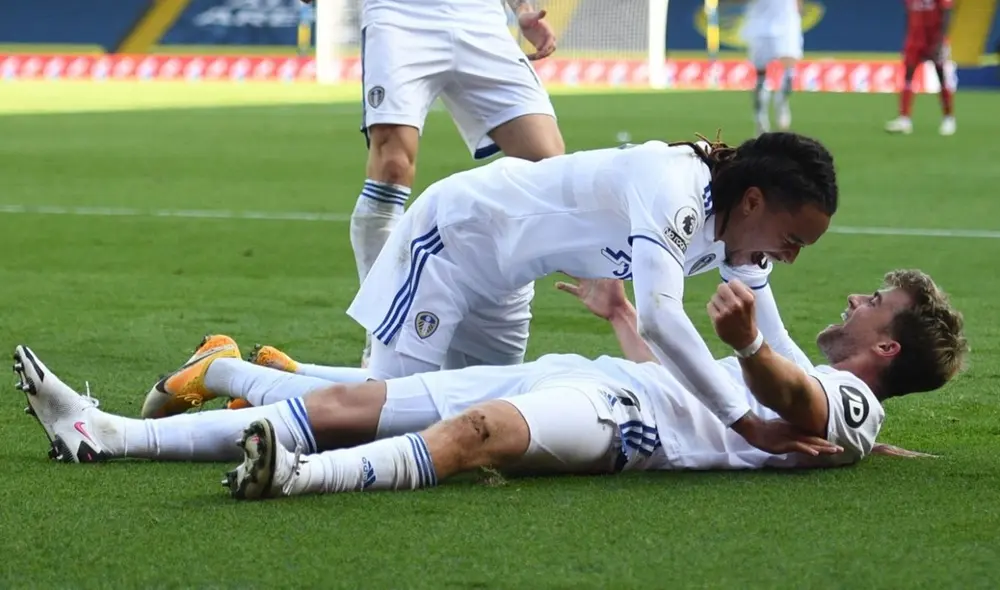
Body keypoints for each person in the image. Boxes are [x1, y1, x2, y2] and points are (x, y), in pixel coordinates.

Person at [142, 133, 838, 453]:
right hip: (453, 240)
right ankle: (224, 371)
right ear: (754, 199)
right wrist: (747, 425)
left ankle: (276, 376)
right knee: (376, 420)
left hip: (507, 279)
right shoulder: (676, 186)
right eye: (794, 238)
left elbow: (777, 347)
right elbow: (659, 317)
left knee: (459, 408)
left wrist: (828, 418)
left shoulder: (741, 238)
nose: (790, 257)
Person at [12, 269, 966, 498]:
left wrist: (755, 345)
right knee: (347, 405)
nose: (857, 294)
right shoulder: (850, 408)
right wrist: (627, 321)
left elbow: (798, 409)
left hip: (624, 426)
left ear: (886, 349)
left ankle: (298, 478)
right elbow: (698, 379)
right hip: (597, 375)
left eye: (877, 300)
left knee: (479, 430)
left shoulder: (853, 399)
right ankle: (104, 434)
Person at [304, 0, 567, 366]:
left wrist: (522, 8)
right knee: (392, 165)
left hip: (480, 17)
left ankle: (488, 303)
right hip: (399, 14)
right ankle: (382, 334)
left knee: (546, 163)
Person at [885, 0, 955, 135]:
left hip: (934, 39)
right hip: (915, 40)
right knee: (908, 75)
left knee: (941, 76)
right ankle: (904, 119)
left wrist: (941, 41)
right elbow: (909, 15)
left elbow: (947, 13)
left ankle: (948, 118)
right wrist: (907, 38)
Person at [739, 0, 804, 135]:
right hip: (760, 23)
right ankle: (760, 116)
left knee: (789, 71)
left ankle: (782, 101)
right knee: (761, 75)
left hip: (787, 21)